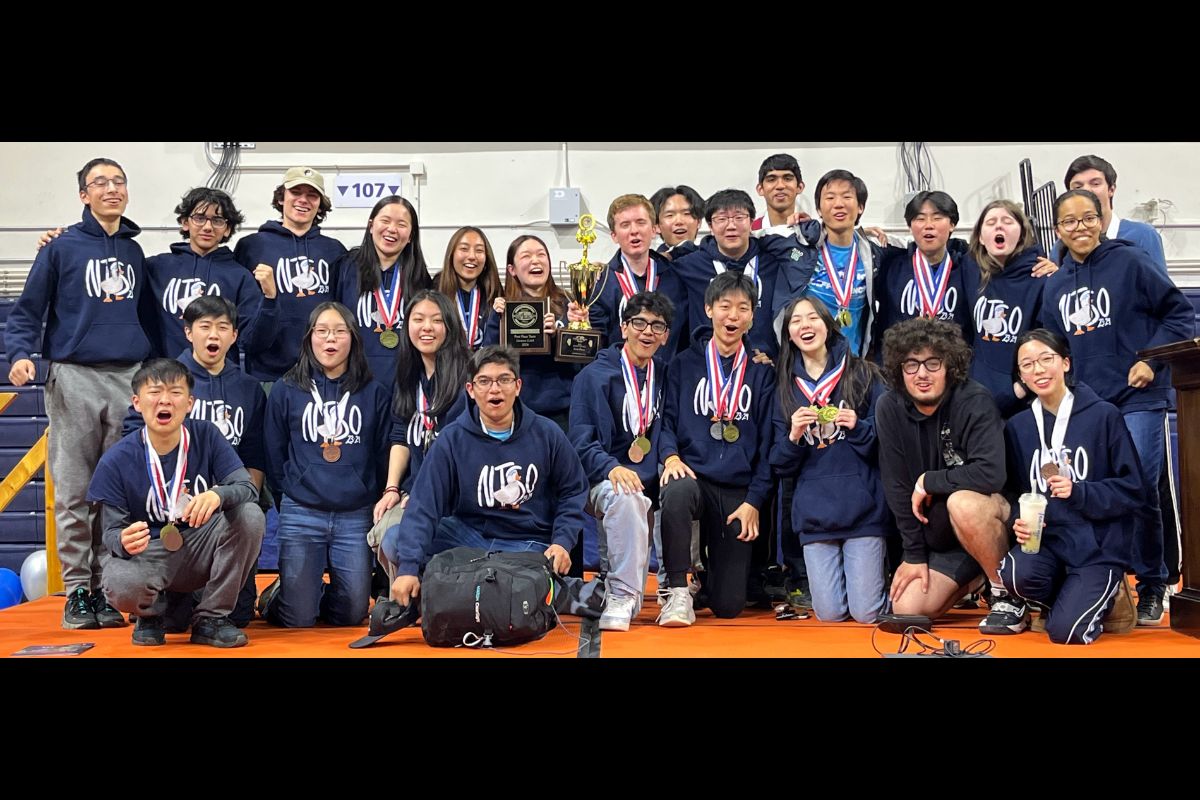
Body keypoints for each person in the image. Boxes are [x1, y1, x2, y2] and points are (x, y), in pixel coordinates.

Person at [5, 157, 150, 630]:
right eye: (99, 182)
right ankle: (77, 592)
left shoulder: (135, 253)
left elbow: (150, 319)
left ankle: (106, 588)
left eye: (119, 181)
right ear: (84, 195)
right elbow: (27, 311)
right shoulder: (60, 247)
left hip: (129, 379)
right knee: (73, 491)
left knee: (117, 493)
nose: (112, 188)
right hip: (74, 376)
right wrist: (20, 354)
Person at [1040, 189, 1195, 625]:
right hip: (1090, 407)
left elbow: (1179, 314)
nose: (1080, 228)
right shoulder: (1055, 285)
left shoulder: (1130, 261)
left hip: (1138, 398)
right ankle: (1105, 583)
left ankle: (1152, 585)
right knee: (1092, 492)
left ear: (1101, 219)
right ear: (1058, 229)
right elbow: (1055, 346)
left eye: (1088, 218)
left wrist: (1150, 360)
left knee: (1139, 489)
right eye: (1069, 221)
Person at [380, 346, 589, 609]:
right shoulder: (452, 438)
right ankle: (508, 589)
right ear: (470, 390)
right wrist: (409, 567)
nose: (495, 389)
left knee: (529, 569)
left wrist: (562, 542)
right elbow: (424, 505)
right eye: (484, 381)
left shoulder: (547, 433)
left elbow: (573, 491)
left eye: (504, 380)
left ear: (518, 386)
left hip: (526, 543)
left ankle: (477, 589)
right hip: (468, 536)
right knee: (395, 540)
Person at [90, 359, 263, 647]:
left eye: (175, 392)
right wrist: (122, 540)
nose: (165, 400)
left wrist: (218, 495)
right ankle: (150, 616)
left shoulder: (206, 435)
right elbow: (110, 534)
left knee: (250, 515)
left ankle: (211, 618)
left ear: (190, 403)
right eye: (155, 392)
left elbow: (247, 488)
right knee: (118, 580)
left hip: (200, 546)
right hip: (152, 552)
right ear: (136, 402)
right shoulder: (116, 460)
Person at [121, 296, 267, 629]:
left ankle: (212, 608)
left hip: (223, 512)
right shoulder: (163, 379)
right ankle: (165, 593)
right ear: (188, 332)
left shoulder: (249, 388)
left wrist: (246, 498)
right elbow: (133, 441)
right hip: (170, 513)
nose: (213, 334)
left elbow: (255, 455)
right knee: (172, 622)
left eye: (222, 327)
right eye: (204, 326)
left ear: (234, 335)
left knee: (239, 615)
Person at [995, 329, 1142, 642]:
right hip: (1048, 542)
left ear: (1065, 362)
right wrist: (1017, 520)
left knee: (1067, 633)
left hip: (1097, 547)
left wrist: (1080, 491)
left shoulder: (1104, 415)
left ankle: (1105, 594)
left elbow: (1133, 490)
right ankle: (1068, 599)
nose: (1038, 370)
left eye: (1046, 359)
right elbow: (1014, 491)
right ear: (1020, 376)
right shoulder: (1018, 426)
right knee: (1013, 574)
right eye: (1027, 364)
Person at [875, 317, 1016, 623]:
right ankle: (975, 577)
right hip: (942, 539)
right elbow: (897, 487)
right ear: (899, 369)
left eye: (932, 363)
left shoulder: (974, 399)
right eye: (911, 364)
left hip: (988, 520)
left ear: (949, 366)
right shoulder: (888, 407)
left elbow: (991, 474)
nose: (922, 374)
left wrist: (929, 481)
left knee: (962, 503)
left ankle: (1006, 595)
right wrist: (914, 554)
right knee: (908, 608)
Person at [260, 302, 391, 627]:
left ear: (353, 339)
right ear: (309, 338)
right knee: (297, 619)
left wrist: (367, 494)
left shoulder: (374, 392)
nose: (330, 339)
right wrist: (291, 495)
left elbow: (381, 453)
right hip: (302, 512)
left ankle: (309, 592)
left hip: (354, 514)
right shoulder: (286, 389)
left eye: (339, 331)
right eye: (322, 331)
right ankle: (286, 595)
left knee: (353, 613)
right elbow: (274, 454)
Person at [657, 272, 776, 624]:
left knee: (728, 606)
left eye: (743, 308)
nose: (733, 316)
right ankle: (677, 589)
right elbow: (665, 421)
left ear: (752, 315)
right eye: (725, 306)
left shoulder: (761, 372)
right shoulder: (683, 364)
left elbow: (768, 445)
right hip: (694, 475)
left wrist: (754, 501)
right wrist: (670, 457)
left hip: (737, 489)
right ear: (709, 309)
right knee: (676, 489)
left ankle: (706, 579)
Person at [769, 296, 889, 623]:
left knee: (867, 613)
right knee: (829, 613)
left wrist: (858, 427)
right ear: (788, 334)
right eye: (796, 321)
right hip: (815, 516)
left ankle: (892, 589)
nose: (805, 326)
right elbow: (779, 464)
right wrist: (794, 436)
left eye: (812, 317)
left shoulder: (864, 373)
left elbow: (887, 445)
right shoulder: (783, 386)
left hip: (863, 510)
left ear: (828, 324)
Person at [569, 291, 673, 630]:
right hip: (603, 479)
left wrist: (671, 458)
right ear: (624, 327)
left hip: (651, 477)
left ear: (665, 335)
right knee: (627, 497)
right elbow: (580, 443)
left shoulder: (666, 375)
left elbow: (671, 428)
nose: (647, 332)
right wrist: (612, 467)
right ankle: (623, 595)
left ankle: (676, 587)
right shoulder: (592, 377)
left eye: (657, 326)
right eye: (639, 323)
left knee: (683, 486)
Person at [368, 291, 470, 583]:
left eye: (436, 320)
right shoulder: (407, 376)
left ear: (450, 326)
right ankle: (409, 597)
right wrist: (391, 488)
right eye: (418, 319)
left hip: (454, 497)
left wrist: (426, 494)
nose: (427, 327)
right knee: (383, 531)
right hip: (413, 491)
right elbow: (400, 435)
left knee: (402, 538)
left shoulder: (467, 379)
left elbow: (464, 452)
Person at [234, 166, 347, 382]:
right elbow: (240, 308)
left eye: (312, 195)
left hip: (322, 372)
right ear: (281, 198)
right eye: (295, 192)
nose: (303, 200)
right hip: (265, 372)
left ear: (320, 204)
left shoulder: (334, 250)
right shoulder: (251, 246)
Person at [963, 200, 1057, 418]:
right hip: (978, 399)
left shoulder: (1040, 277)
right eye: (991, 222)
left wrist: (1021, 388)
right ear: (980, 237)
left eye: (1007, 221)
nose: (999, 226)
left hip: (1025, 400)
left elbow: (1050, 342)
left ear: (1022, 234)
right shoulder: (970, 268)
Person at [336, 196, 434, 388]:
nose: (392, 229)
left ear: (411, 236)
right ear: (371, 225)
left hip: (405, 387)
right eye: (385, 220)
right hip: (354, 385)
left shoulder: (420, 278)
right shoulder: (346, 268)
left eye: (401, 224)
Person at [590, 194, 685, 353]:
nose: (634, 231)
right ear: (614, 236)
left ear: (654, 229)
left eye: (641, 222)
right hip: (619, 367)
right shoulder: (601, 282)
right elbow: (597, 342)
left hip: (667, 368)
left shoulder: (676, 277)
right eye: (625, 225)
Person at [1063, 154, 1168, 278]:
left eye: (1095, 184)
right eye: (1078, 187)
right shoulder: (1063, 244)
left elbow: (1160, 288)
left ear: (1111, 189)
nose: (1086, 191)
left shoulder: (1143, 235)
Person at [435, 226, 503, 351]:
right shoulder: (435, 292)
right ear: (451, 254)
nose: (472, 256)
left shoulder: (494, 294)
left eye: (479, 250)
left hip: (485, 362)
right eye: (464, 249)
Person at [752, 153, 805, 233]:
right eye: (771, 180)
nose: (780, 186)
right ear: (760, 189)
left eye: (787, 179)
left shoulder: (812, 231)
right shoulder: (750, 233)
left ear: (799, 187)